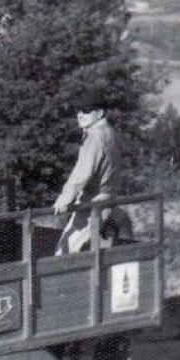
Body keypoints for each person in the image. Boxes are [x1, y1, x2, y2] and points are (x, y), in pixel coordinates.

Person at [53, 90, 122, 255]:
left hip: (93, 203)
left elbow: (82, 173)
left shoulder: (95, 136)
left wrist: (63, 200)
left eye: (86, 110)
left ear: (99, 113)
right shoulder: (110, 132)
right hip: (108, 199)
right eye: (78, 110)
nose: (79, 114)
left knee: (63, 253)